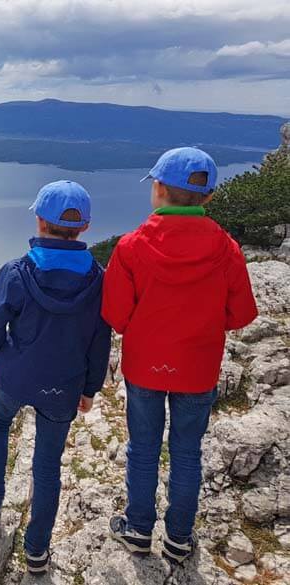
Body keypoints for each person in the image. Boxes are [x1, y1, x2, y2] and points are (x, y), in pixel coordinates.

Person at [102, 147, 258, 564]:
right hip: (198, 368)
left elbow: (116, 315)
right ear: (207, 198)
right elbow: (240, 314)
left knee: (143, 449)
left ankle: (137, 529)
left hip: (145, 368)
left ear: (157, 189)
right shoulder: (226, 249)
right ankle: (179, 538)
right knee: (187, 452)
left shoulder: (131, 246)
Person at [0, 180, 112, 574]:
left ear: (39, 220)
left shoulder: (17, 272)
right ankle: (37, 550)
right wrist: (89, 388)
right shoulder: (98, 280)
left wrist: (1, 354)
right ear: (84, 228)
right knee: (47, 465)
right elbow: (99, 340)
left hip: (15, 377)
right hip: (63, 386)